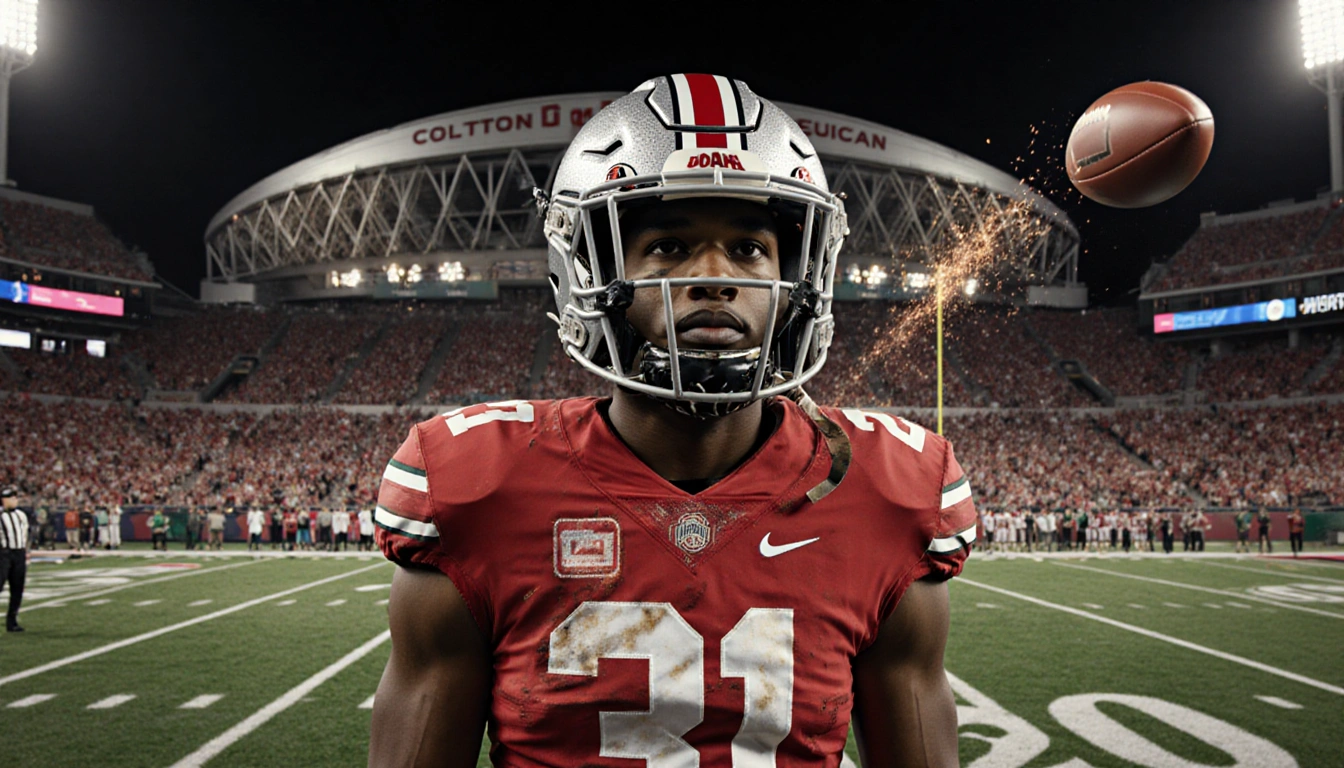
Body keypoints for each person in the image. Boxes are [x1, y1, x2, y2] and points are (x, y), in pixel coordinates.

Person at [368, 75, 977, 767]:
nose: (714, 276)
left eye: (749, 248)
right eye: (668, 247)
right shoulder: (478, 483)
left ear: (801, 276)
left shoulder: (888, 491)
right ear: (590, 272)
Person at [0, 487, 31, 632]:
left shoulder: (21, 515)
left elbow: (24, 534)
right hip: (3, 554)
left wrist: (26, 551)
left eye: (15, 498)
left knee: (17, 588)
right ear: (4, 500)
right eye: (11, 498)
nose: (15, 500)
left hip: (19, 553)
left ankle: (12, 622)